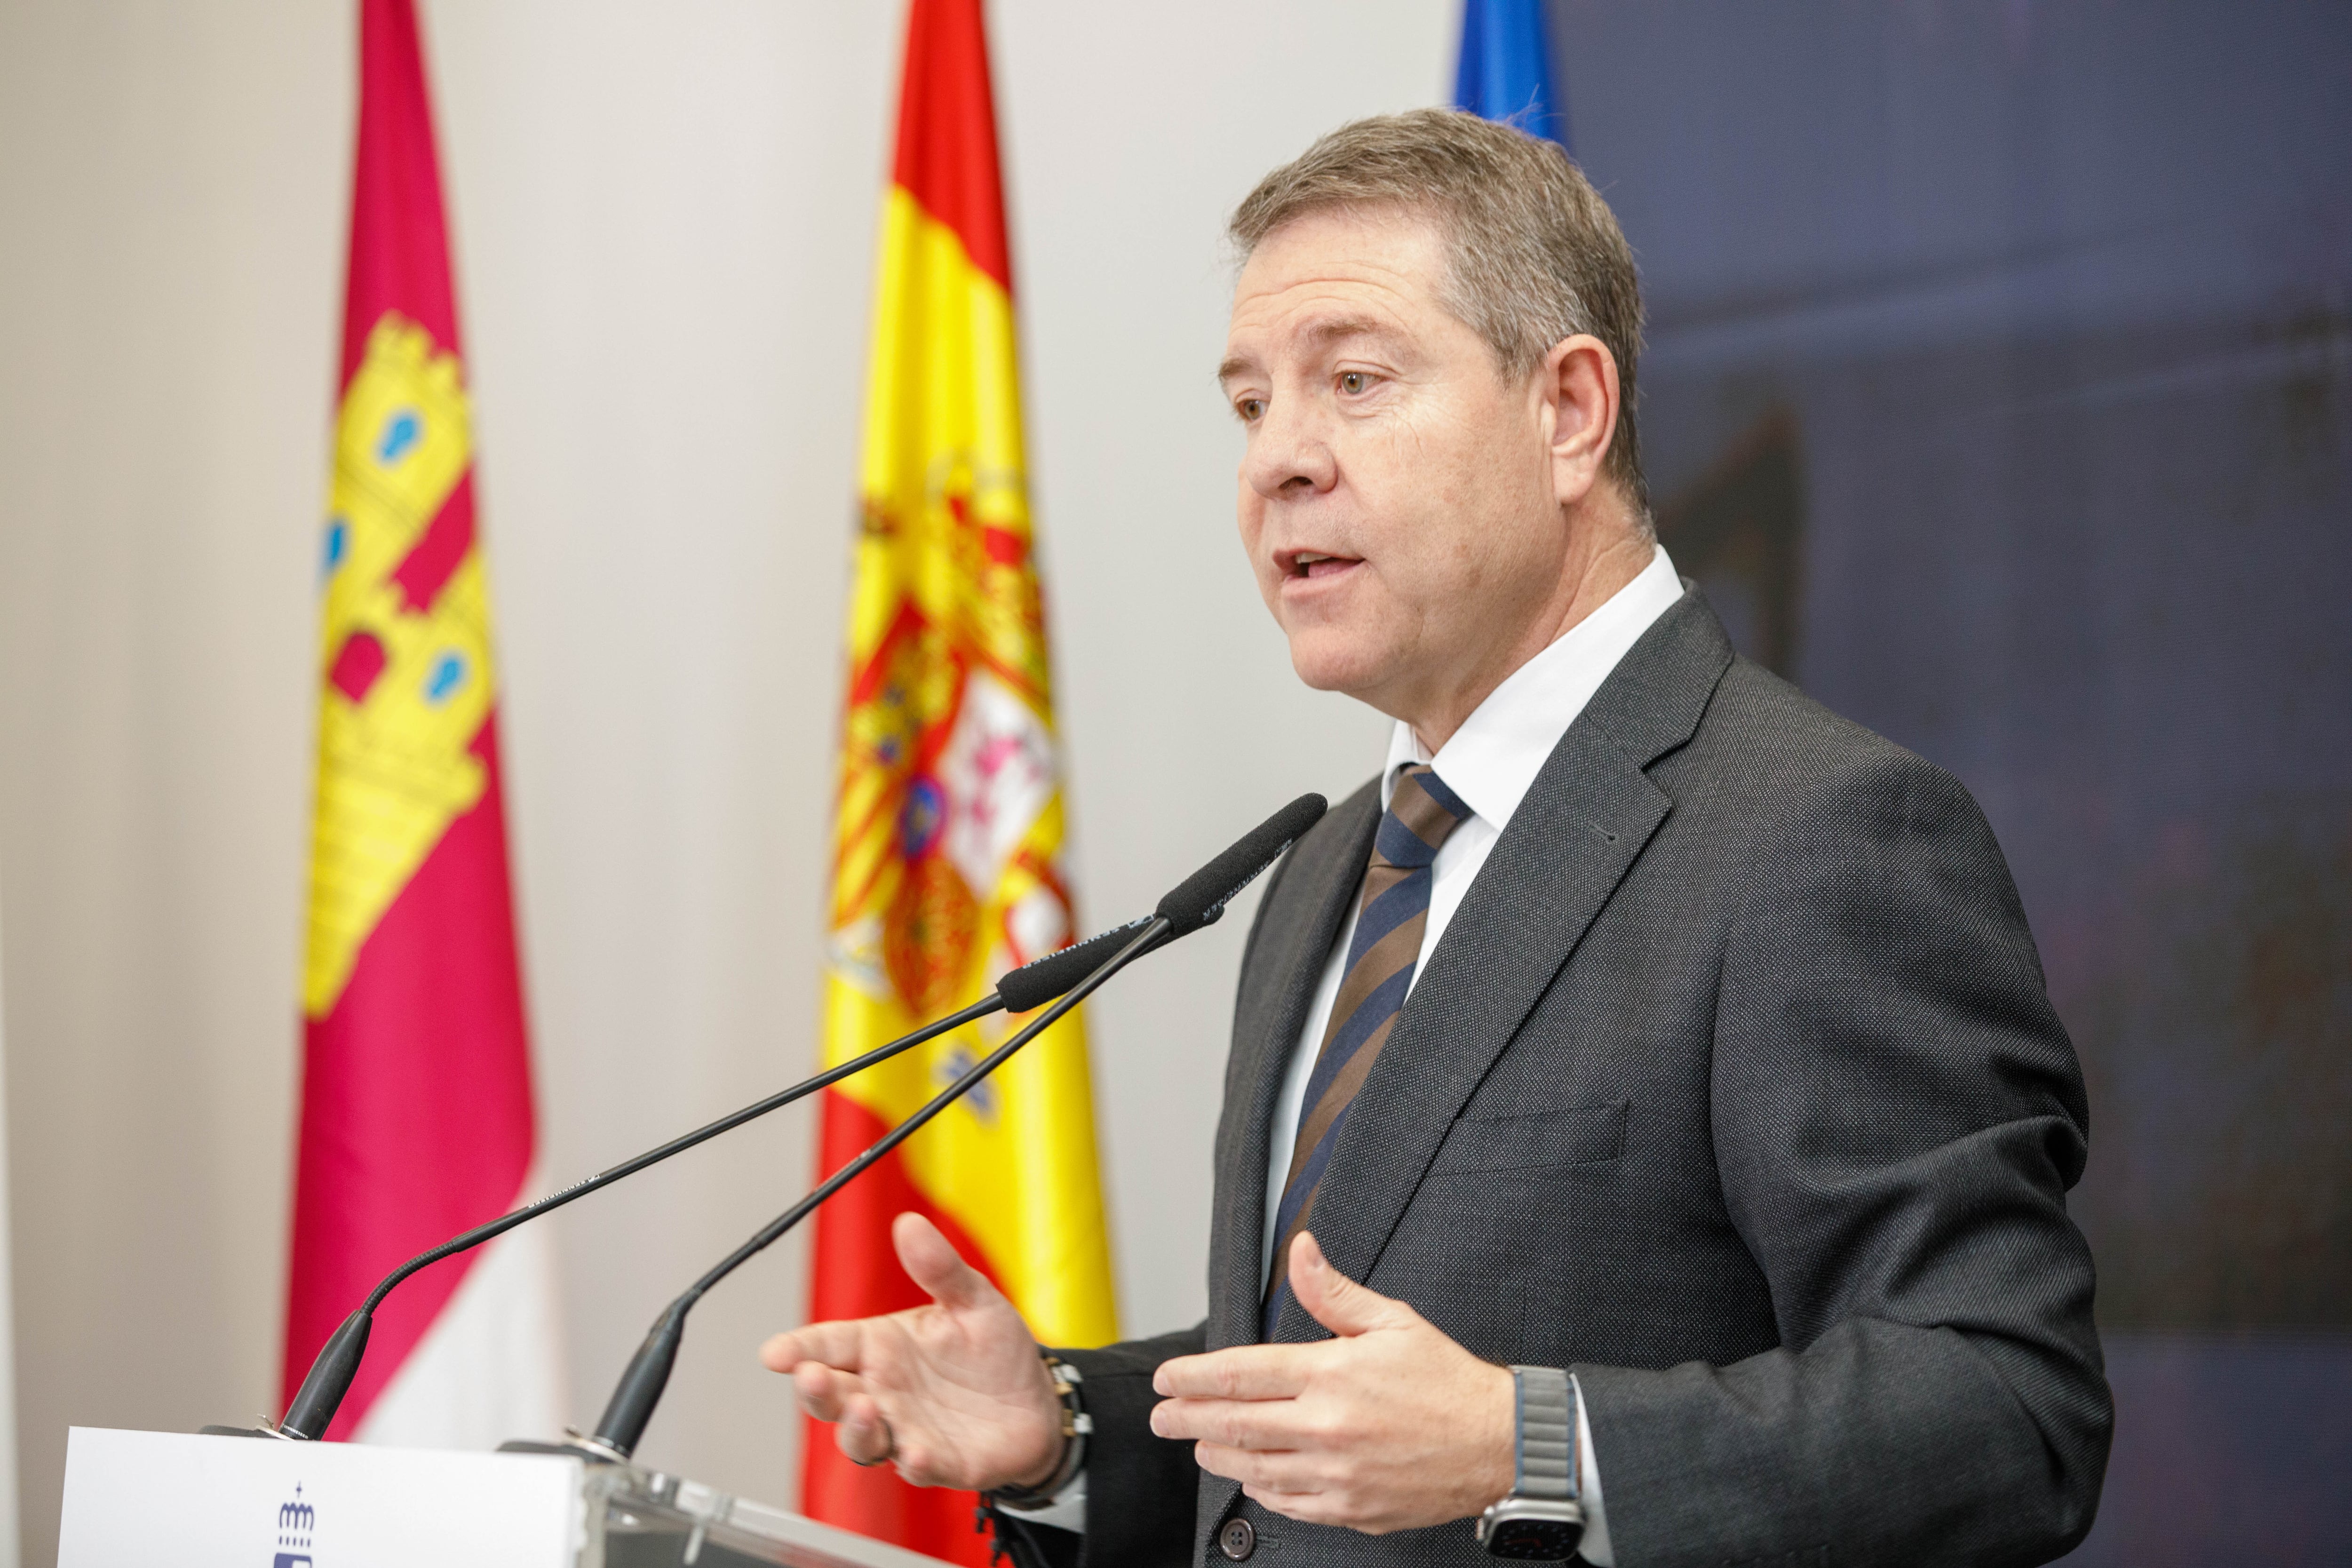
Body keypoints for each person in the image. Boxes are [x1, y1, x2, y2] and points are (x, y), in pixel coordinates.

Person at [763, 109, 2110, 1568]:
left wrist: (1526, 1446)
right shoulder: (1328, 870)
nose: (1279, 459)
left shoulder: (1818, 838)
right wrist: (1071, 1435)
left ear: (1570, 413)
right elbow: (1348, 1387)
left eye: (1354, 381)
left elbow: (2004, 1410)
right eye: (1248, 405)